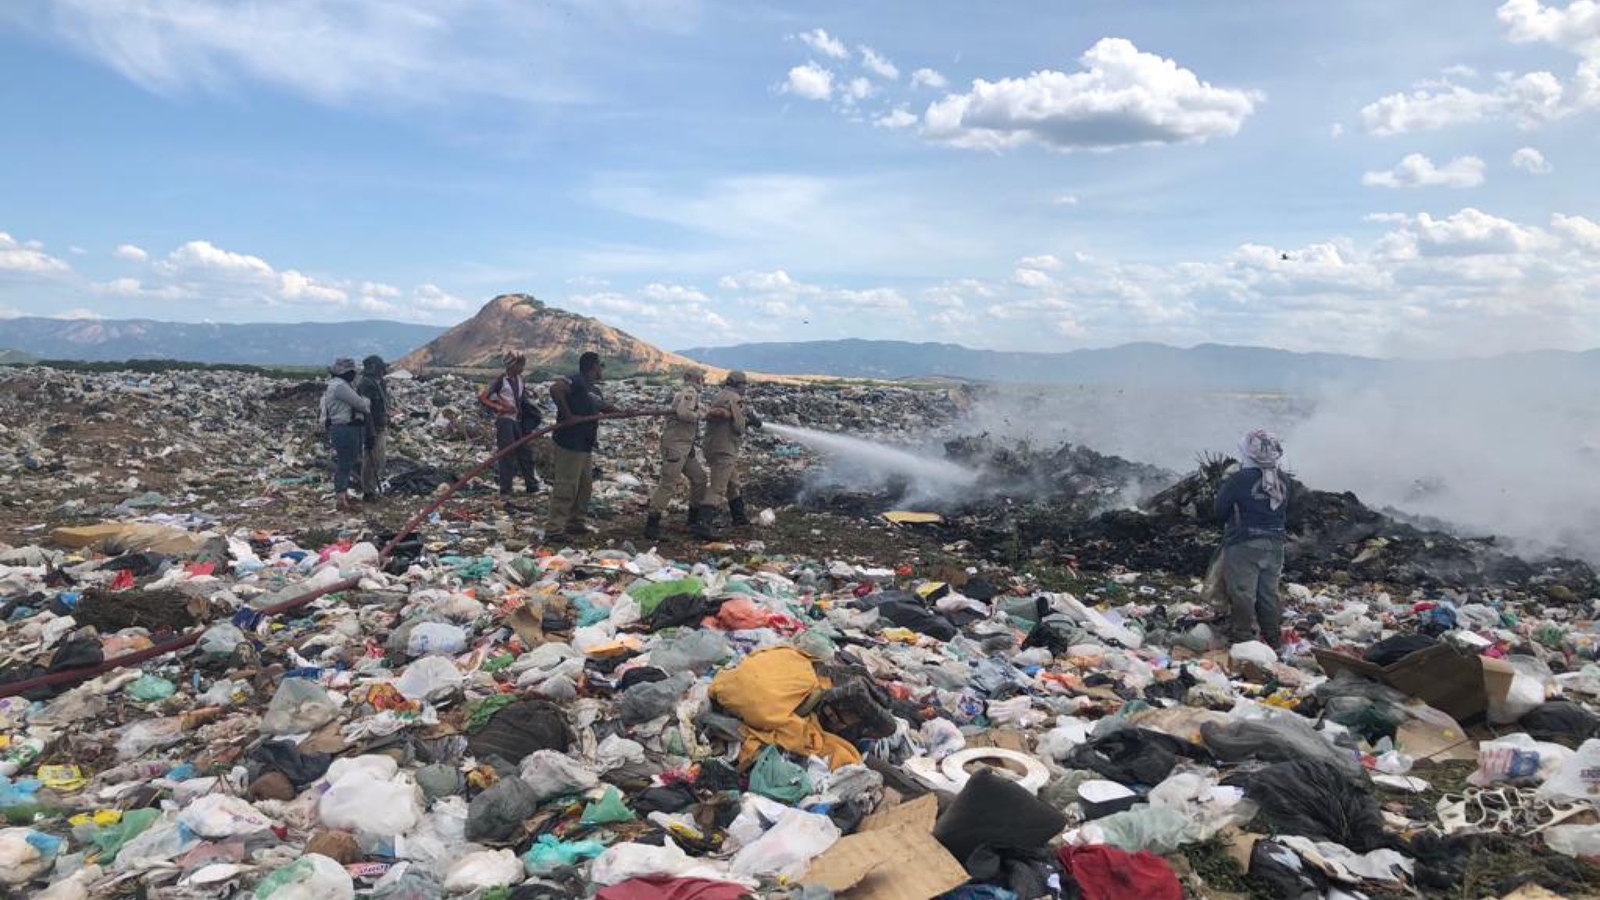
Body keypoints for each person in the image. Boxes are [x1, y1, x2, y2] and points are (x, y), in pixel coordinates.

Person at [1213, 429, 1293, 648]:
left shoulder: (1238, 480)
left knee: (1243, 593)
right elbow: (1288, 511)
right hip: (1275, 544)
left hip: (1244, 542)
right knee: (1268, 592)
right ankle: (1273, 638)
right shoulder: (1284, 481)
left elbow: (1219, 510)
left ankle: (1245, 638)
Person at [547, 351, 620, 537]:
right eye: (600, 365)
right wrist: (568, 416)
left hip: (585, 445)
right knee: (566, 485)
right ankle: (555, 529)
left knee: (584, 485)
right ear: (593, 366)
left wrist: (623, 412)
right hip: (570, 442)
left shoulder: (593, 389)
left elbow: (602, 407)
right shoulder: (577, 380)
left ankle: (575, 522)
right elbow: (555, 389)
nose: (601, 370)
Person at [645, 369, 711, 540]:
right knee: (668, 484)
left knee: (700, 478)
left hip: (685, 446)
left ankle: (693, 520)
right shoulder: (689, 392)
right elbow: (684, 413)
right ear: (695, 378)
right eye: (701, 377)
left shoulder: (691, 393)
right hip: (676, 445)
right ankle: (652, 525)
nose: (703, 380)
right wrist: (700, 415)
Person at [701, 370, 761, 532]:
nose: (745, 388)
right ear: (737, 384)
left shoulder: (720, 395)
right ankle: (703, 524)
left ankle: (739, 518)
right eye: (744, 384)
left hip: (712, 445)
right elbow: (739, 427)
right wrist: (749, 420)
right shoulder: (735, 399)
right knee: (718, 487)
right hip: (724, 448)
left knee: (733, 483)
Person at [479, 352, 541, 505]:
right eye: (520, 365)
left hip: (518, 421)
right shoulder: (501, 380)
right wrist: (499, 407)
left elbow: (522, 400)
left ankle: (531, 486)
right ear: (512, 366)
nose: (522, 368)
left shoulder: (520, 380)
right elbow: (483, 397)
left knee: (525, 452)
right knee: (507, 454)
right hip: (505, 421)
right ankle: (506, 489)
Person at [319, 358, 371, 512]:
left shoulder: (339, 385)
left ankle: (344, 495)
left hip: (344, 428)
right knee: (345, 463)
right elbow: (362, 405)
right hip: (346, 428)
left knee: (347, 462)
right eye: (351, 372)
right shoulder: (340, 386)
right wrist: (367, 400)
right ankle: (341, 498)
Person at [356, 355, 391, 502]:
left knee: (379, 459)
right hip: (373, 427)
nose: (383, 371)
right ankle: (368, 491)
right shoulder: (366, 384)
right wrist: (369, 431)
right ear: (374, 368)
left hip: (380, 426)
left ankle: (371, 489)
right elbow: (366, 410)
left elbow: (382, 405)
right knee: (372, 460)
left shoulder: (379, 383)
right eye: (381, 368)